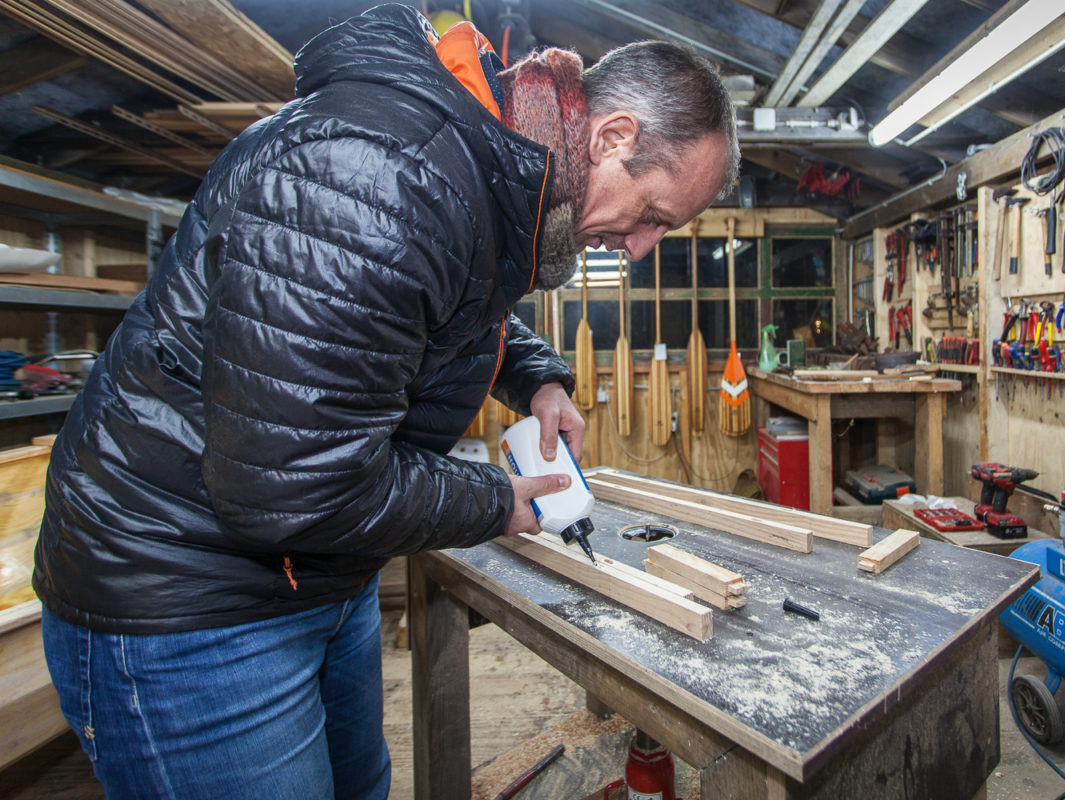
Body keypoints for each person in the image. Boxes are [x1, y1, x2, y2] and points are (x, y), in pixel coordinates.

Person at [33, 4, 739, 799]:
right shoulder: (378, 172)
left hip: (315, 573)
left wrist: (537, 378)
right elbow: (296, 484)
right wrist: (492, 501)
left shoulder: (480, 169)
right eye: (650, 215)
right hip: (188, 595)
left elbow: (449, 296)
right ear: (610, 137)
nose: (642, 245)